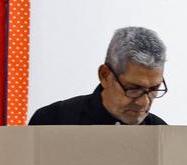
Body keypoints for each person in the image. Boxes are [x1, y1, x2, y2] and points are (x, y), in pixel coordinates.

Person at [29, 26, 168, 125]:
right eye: (133, 88)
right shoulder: (52, 121)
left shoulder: (161, 134)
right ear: (105, 75)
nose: (144, 102)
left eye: (154, 89)